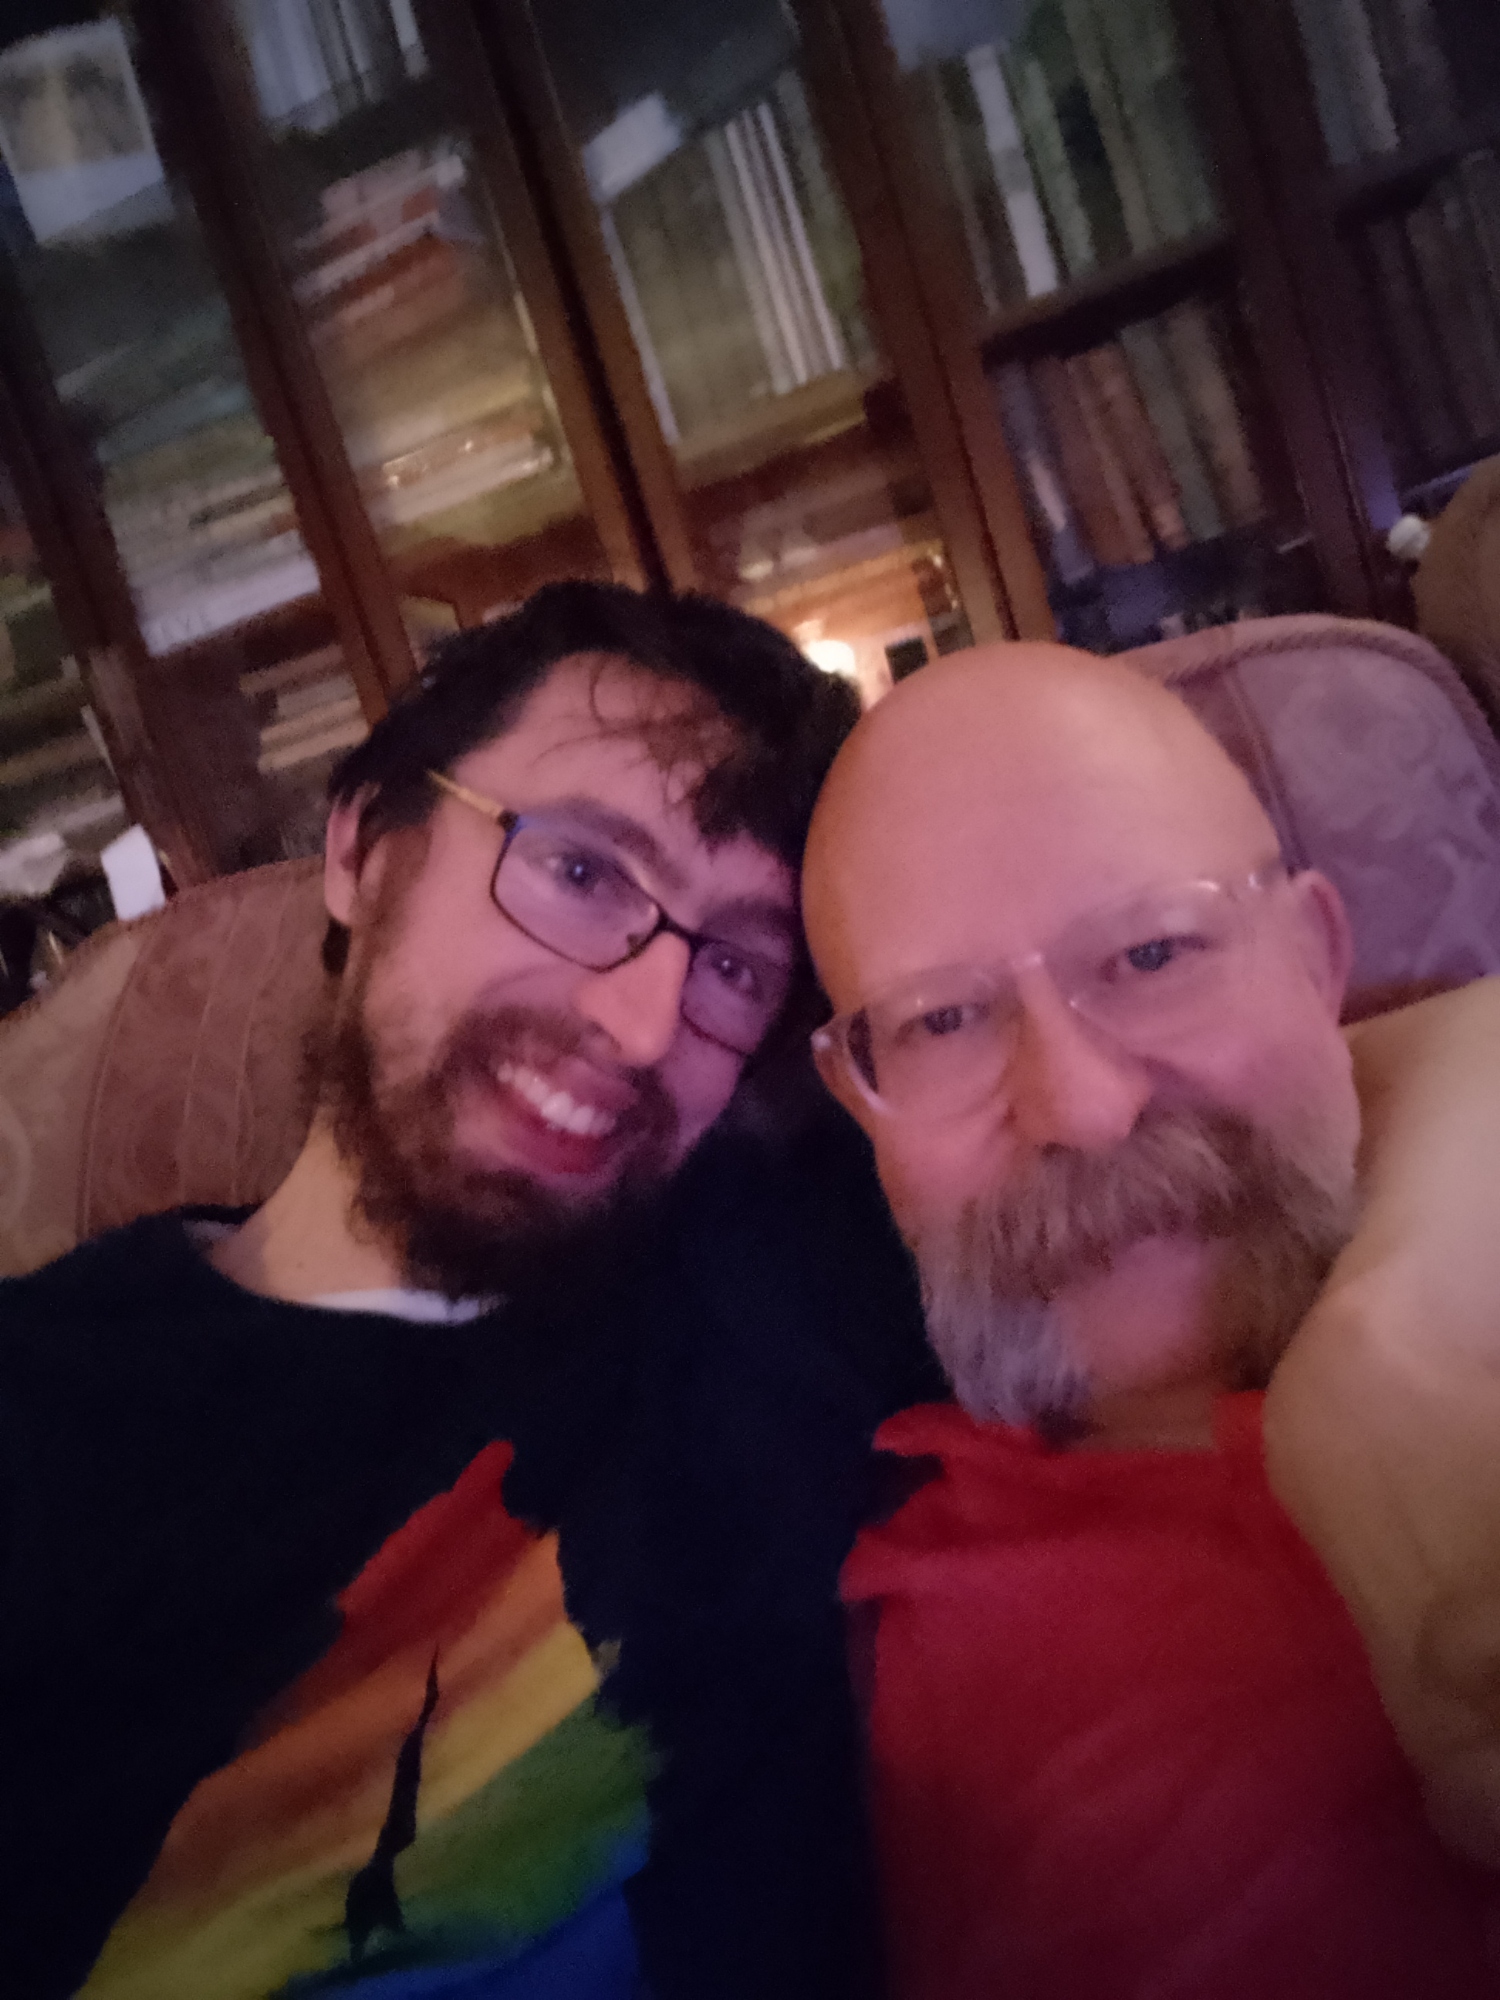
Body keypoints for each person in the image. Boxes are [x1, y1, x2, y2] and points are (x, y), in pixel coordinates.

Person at [0, 579, 868, 2000]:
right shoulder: (39, 1417)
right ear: (361, 846)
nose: (640, 1022)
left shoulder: (790, 1275)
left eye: (732, 963)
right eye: (581, 870)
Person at [802, 640, 1497, 1997]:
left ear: (1318, 956)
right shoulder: (859, 1637)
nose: (1083, 1108)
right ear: (859, 1106)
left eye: (1153, 951)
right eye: (942, 1022)